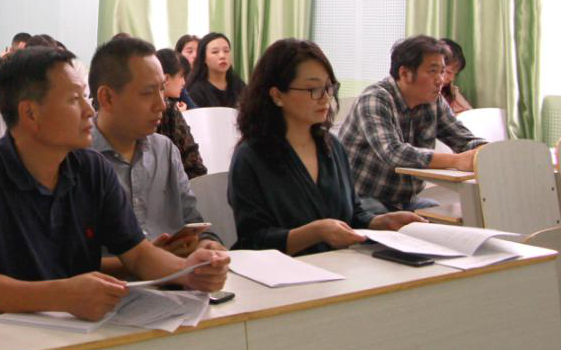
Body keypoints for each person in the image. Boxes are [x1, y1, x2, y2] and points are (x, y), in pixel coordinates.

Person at [0, 48, 229, 320]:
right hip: (7, 336)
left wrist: (188, 271)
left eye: (84, 97)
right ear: (30, 113)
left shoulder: (92, 168)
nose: (88, 110)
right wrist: (60, 296)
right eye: (74, 99)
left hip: (85, 328)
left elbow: (138, 254)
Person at [229, 39, 425, 254]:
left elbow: (353, 216)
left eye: (329, 87)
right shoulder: (251, 156)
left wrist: (381, 222)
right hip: (286, 270)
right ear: (277, 95)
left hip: (339, 265)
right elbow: (252, 241)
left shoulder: (332, 146)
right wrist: (315, 233)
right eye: (313, 89)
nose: (325, 98)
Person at [88, 38, 223, 264]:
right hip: (113, 285)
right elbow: (67, 262)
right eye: (147, 93)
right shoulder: (77, 157)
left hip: (177, 276)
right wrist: (148, 260)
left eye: (162, 89)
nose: (161, 105)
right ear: (107, 98)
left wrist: (205, 244)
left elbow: (193, 221)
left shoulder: (165, 149)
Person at [340, 36, 487, 214]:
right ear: (405, 74)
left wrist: (486, 152)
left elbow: (464, 140)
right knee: (386, 220)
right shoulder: (375, 98)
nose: (441, 80)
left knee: (437, 214)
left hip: (404, 200)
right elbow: (394, 153)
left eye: (442, 71)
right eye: (433, 71)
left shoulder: (434, 101)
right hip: (358, 197)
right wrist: (456, 161)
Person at [154, 48, 206, 179]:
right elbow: (193, 161)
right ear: (166, 78)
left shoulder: (171, 104)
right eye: (181, 76)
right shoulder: (169, 109)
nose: (184, 82)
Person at [186, 32, 246, 109]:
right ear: (203, 58)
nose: (222, 56)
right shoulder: (196, 91)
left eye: (226, 51)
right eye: (215, 52)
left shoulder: (238, 85)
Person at [441, 38, 473, 114]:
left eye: (455, 74)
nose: (452, 78)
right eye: (448, 72)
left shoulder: (450, 91)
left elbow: (470, 113)